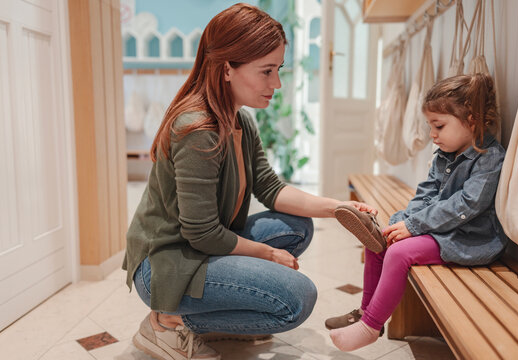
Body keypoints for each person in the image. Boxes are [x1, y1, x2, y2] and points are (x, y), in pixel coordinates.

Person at [122, 4, 377, 360]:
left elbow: (271, 190)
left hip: (200, 249)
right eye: (266, 71)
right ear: (228, 69)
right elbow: (202, 233)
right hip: (168, 265)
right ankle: (167, 323)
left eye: (278, 69)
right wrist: (267, 253)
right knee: (296, 299)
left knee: (297, 227)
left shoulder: (241, 121)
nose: (276, 83)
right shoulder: (197, 130)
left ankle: (209, 318)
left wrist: (338, 208)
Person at [326, 73, 508, 352]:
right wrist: (408, 222)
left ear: (471, 120)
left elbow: (467, 205)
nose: (432, 134)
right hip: (440, 229)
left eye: (439, 126)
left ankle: (371, 327)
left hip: (469, 240)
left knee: (400, 253)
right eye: (430, 126)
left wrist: (415, 226)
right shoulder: (445, 154)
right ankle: (365, 311)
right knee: (382, 241)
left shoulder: (489, 156)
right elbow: (426, 192)